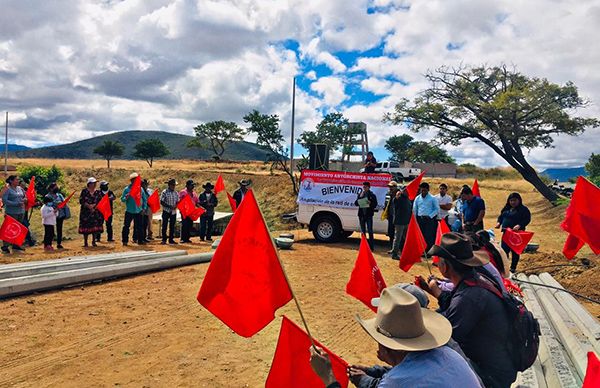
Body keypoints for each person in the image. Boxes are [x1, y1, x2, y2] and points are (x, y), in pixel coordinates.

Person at [309, 287, 482, 388]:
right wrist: (372, 371)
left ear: (386, 347)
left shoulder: (397, 382)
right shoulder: (447, 354)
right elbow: (415, 372)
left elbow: (405, 379)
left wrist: (328, 377)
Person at [420, 233, 517, 388]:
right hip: (495, 364)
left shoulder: (470, 296)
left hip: (490, 375)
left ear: (445, 266)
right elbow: (453, 305)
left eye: (439, 262)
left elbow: (446, 337)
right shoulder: (473, 281)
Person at [495, 192, 531, 273]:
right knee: (504, 251)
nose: (513, 202)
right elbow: (501, 217)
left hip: (517, 235)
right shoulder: (506, 209)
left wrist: (519, 225)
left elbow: (527, 219)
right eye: (511, 200)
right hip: (506, 233)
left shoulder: (523, 210)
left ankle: (513, 268)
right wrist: (498, 223)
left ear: (519, 200)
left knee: (515, 251)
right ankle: (505, 267)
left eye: (514, 200)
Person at [2, 176, 27, 253]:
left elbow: (24, 196)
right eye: (16, 179)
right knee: (10, 229)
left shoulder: (19, 188)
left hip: (21, 211)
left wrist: (25, 199)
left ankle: (16, 245)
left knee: (18, 229)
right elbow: (5, 200)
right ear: (11, 181)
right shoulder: (7, 189)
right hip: (11, 212)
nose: (18, 181)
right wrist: (16, 203)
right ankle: (5, 247)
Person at [412, 182, 439, 251]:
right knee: (420, 235)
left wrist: (430, 216)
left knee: (428, 235)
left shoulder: (433, 198)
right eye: (422, 190)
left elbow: (437, 209)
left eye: (425, 190)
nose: (423, 192)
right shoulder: (417, 198)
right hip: (420, 219)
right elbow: (415, 209)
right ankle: (421, 250)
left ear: (428, 190)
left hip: (429, 220)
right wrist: (414, 220)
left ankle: (428, 251)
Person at [78, 177, 104, 247]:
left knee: (94, 226)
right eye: (93, 183)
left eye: (95, 183)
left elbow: (100, 201)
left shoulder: (98, 192)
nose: (95, 184)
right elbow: (81, 200)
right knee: (85, 226)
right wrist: (88, 206)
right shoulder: (84, 191)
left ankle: (93, 241)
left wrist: (94, 206)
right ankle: (85, 242)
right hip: (85, 212)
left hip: (95, 211)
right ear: (89, 184)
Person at [121, 173, 145, 246]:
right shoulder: (126, 189)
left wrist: (144, 208)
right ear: (131, 181)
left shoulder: (140, 189)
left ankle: (140, 240)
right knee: (126, 226)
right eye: (134, 180)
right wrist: (126, 197)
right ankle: (125, 241)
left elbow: (144, 199)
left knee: (139, 226)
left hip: (138, 210)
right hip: (129, 211)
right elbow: (122, 199)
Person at [354, 181, 378, 250]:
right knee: (363, 232)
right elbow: (356, 203)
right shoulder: (360, 194)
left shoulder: (372, 195)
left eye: (365, 187)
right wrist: (360, 198)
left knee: (370, 231)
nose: (364, 188)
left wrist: (370, 203)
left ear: (369, 187)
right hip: (361, 215)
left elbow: (375, 205)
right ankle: (363, 247)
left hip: (369, 215)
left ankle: (371, 247)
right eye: (363, 187)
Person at [45, 183, 69, 249]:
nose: (56, 188)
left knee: (59, 229)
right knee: (50, 230)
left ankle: (59, 243)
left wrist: (62, 204)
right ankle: (48, 244)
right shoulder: (47, 196)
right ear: (51, 189)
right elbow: (47, 205)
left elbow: (64, 202)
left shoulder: (59, 195)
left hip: (60, 214)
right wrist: (55, 204)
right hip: (52, 215)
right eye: (55, 187)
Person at [390, 187, 411, 260]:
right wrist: (396, 197)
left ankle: (405, 253)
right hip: (399, 222)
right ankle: (394, 254)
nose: (406, 192)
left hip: (406, 222)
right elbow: (395, 202)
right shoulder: (399, 198)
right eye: (405, 190)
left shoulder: (407, 199)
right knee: (398, 238)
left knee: (406, 239)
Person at [160, 179, 179, 245]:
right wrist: (170, 206)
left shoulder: (176, 193)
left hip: (173, 212)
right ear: (169, 185)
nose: (173, 186)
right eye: (172, 185)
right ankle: (164, 239)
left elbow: (178, 201)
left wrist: (176, 206)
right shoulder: (164, 192)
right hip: (166, 211)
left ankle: (171, 239)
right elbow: (162, 202)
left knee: (172, 226)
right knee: (164, 225)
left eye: (174, 185)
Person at [384, 181, 399, 251]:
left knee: (397, 234)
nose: (390, 188)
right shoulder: (388, 194)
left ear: (396, 187)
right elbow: (386, 204)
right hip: (390, 216)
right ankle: (391, 247)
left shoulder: (399, 194)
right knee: (390, 232)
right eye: (389, 186)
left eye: (392, 187)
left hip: (397, 217)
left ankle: (397, 248)